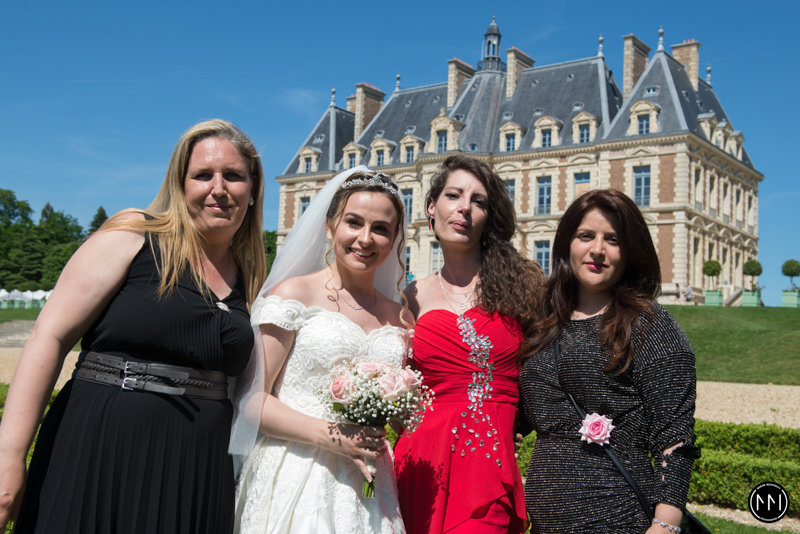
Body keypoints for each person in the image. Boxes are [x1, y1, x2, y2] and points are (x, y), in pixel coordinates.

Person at [0, 119, 265, 533]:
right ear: (180, 184)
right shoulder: (134, 235)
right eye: (202, 175)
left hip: (197, 466)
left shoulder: (254, 281)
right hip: (101, 442)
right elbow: (48, 337)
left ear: (252, 190)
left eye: (233, 175)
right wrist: (9, 456)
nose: (218, 188)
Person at [232, 168, 411, 534]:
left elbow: (401, 419)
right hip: (299, 471)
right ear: (330, 227)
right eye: (354, 222)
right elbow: (251, 400)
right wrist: (333, 435)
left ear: (394, 239)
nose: (365, 238)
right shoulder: (294, 294)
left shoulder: (400, 316)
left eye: (380, 228)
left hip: (372, 481)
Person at [519, 189, 700, 534]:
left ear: (630, 251)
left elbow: (675, 439)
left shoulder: (649, 324)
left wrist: (665, 525)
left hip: (621, 519)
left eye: (613, 239)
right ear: (567, 244)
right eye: (586, 235)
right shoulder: (544, 325)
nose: (598, 249)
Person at [394, 155, 545, 534]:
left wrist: (522, 422)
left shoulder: (524, 287)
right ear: (432, 207)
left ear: (488, 217)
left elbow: (549, 367)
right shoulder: (410, 297)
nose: (464, 207)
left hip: (489, 464)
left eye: (479, 201)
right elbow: (395, 387)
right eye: (453, 195)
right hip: (421, 462)